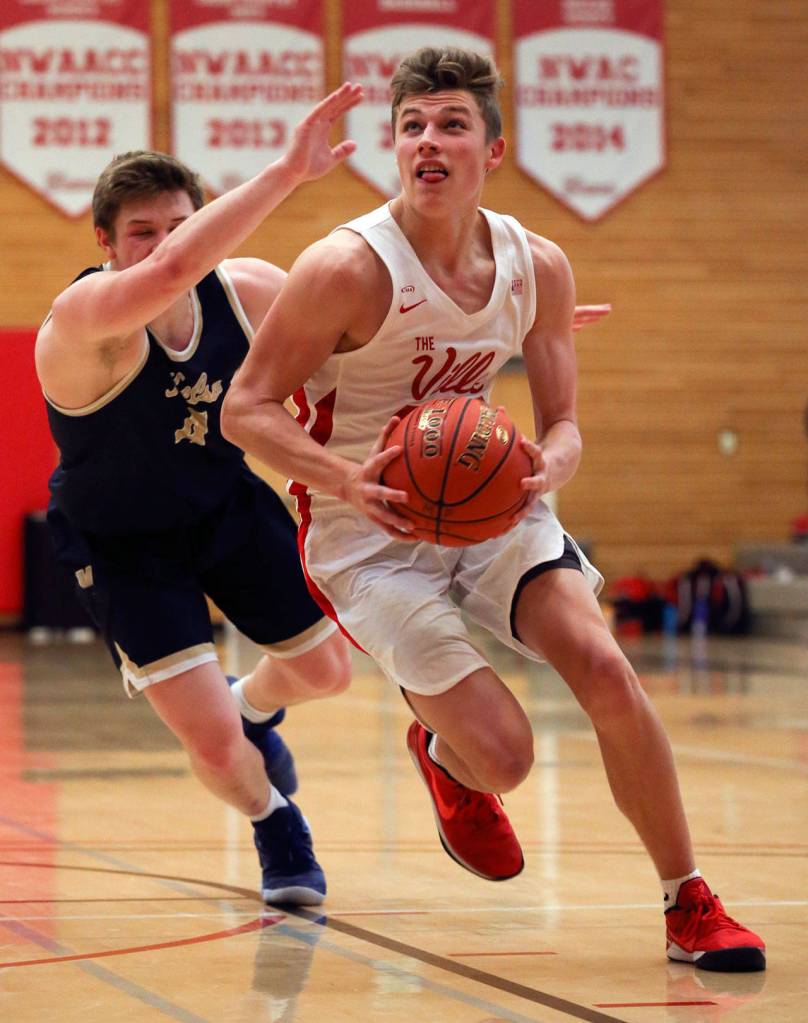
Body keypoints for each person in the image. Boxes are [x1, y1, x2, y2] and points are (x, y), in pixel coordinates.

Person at [221, 47, 766, 971]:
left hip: (493, 507)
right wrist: (346, 477)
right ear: (394, 148)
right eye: (411, 127)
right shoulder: (345, 268)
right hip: (369, 532)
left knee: (603, 664)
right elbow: (244, 410)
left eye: (451, 124)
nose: (428, 141)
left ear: (495, 150)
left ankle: (689, 900)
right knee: (506, 757)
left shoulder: (536, 266)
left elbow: (563, 429)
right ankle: (447, 754)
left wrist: (550, 459)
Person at [34, 84, 366, 907]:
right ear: (106, 243)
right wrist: (290, 171)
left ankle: (253, 706)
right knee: (217, 753)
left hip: (224, 507)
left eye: (179, 227)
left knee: (328, 671)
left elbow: (356, 353)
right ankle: (274, 821)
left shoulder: (246, 289)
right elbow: (178, 271)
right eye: (141, 233)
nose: (163, 248)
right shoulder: (84, 319)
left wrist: (496, 326)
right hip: (121, 544)